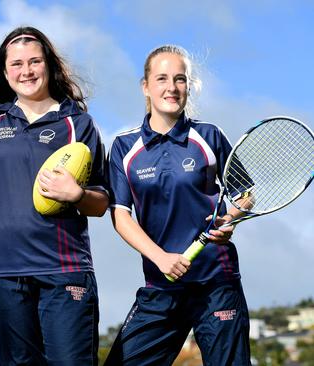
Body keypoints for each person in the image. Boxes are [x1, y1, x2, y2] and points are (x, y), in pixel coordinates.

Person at [0, 26, 110, 365]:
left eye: (34, 61)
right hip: (5, 272)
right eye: (16, 64)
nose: (27, 71)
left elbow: (102, 202)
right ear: (5, 72)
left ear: (48, 65)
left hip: (64, 270)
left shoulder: (78, 123)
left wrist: (76, 194)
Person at [104, 45, 250, 365]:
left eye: (180, 79)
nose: (172, 87)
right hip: (161, 286)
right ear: (146, 86)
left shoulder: (209, 136)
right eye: (162, 78)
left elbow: (244, 194)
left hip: (216, 283)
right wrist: (161, 258)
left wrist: (230, 221)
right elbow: (120, 215)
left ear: (188, 86)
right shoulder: (124, 147)